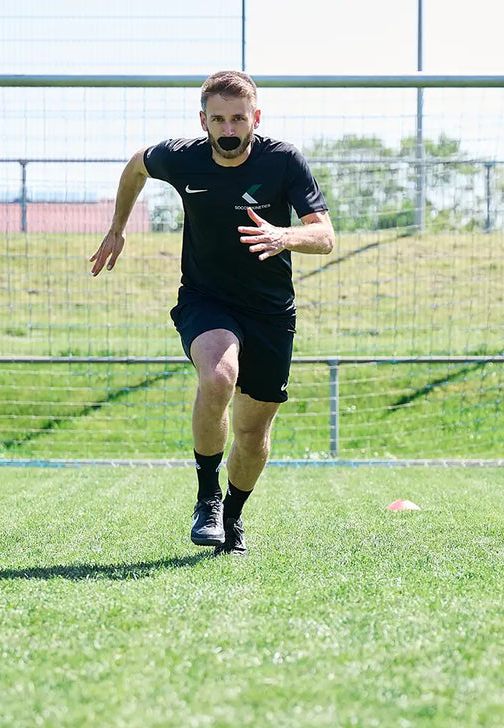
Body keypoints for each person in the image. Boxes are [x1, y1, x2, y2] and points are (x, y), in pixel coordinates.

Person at [89, 70, 335, 556]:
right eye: (218, 119)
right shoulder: (183, 158)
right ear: (202, 120)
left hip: (269, 311)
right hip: (206, 298)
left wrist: (284, 236)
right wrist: (118, 226)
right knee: (219, 375)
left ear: (254, 119)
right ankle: (207, 495)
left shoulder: (283, 161)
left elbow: (325, 236)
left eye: (238, 119)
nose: (228, 128)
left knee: (252, 431)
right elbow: (136, 165)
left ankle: (233, 516)